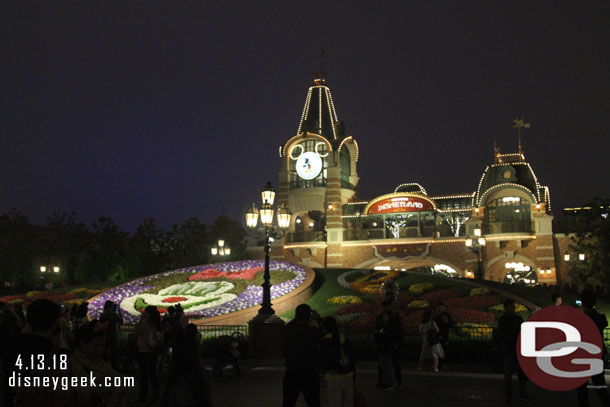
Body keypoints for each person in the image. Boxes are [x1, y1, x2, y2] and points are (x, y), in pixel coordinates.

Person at [71, 320, 128, 407]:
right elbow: (85, 393)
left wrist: (115, 393)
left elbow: (121, 379)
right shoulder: (73, 364)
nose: (100, 351)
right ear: (82, 344)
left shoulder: (97, 360)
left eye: (101, 346)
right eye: (95, 347)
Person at [283, 304, 322, 407]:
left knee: (288, 402)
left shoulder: (288, 329)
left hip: (292, 371)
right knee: (313, 402)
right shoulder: (312, 331)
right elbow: (320, 338)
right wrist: (315, 321)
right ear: (308, 316)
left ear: (296, 315)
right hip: (309, 371)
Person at [577, 290, 610, 407]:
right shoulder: (601, 317)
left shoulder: (578, 319)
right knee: (599, 383)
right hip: (597, 353)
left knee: (581, 386)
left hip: (582, 355)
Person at [497, 299, 530, 402]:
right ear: (506, 308)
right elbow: (501, 334)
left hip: (517, 349)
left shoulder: (518, 318)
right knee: (508, 373)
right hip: (509, 350)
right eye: (511, 306)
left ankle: (521, 393)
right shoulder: (503, 320)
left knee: (521, 373)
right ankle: (509, 394)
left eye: (514, 306)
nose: (513, 308)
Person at [319, 316, 354, 407]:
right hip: (348, 374)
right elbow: (352, 356)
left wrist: (327, 369)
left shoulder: (326, 341)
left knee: (334, 402)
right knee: (348, 402)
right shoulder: (343, 337)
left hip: (333, 376)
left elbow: (323, 358)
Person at [135, 306, 163, 404]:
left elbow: (137, 331)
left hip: (144, 351)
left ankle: (143, 398)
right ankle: (156, 396)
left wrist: (141, 319)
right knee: (153, 374)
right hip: (153, 351)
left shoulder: (146, 323)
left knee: (144, 376)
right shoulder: (157, 323)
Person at [375, 303, 402, 389]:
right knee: (383, 365)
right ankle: (384, 381)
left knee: (391, 365)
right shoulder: (382, 322)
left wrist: (397, 345)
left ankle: (394, 382)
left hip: (390, 347)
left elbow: (397, 335)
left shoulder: (394, 323)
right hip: (383, 348)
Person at [99, 300, 123, 370]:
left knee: (105, 350)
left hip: (104, 335)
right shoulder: (113, 314)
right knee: (114, 351)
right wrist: (118, 311)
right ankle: (114, 366)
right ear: (111, 307)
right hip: (113, 334)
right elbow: (121, 320)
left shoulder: (103, 314)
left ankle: (104, 366)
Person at [433, 302, 453, 369]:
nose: (439, 309)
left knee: (445, 350)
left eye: (441, 308)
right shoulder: (434, 316)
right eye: (438, 308)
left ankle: (444, 364)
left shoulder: (447, 315)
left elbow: (451, 324)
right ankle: (437, 364)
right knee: (437, 351)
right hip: (436, 336)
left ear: (443, 308)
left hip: (444, 336)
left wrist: (447, 322)